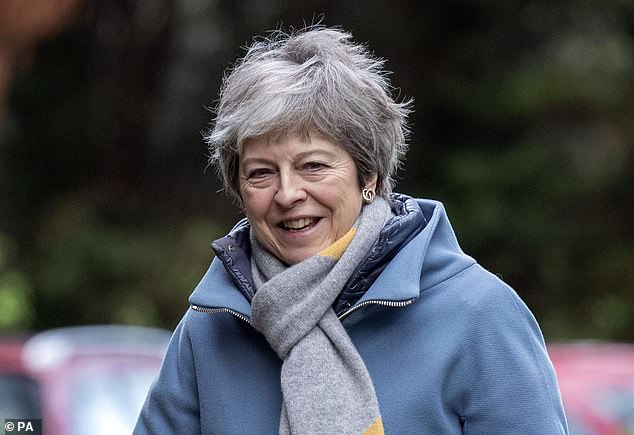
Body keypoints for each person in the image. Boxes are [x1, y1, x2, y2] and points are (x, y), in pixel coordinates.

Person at [134, 26, 568, 434]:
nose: (287, 194)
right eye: (261, 173)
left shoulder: (480, 315)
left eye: (313, 166)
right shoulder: (210, 327)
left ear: (370, 177)